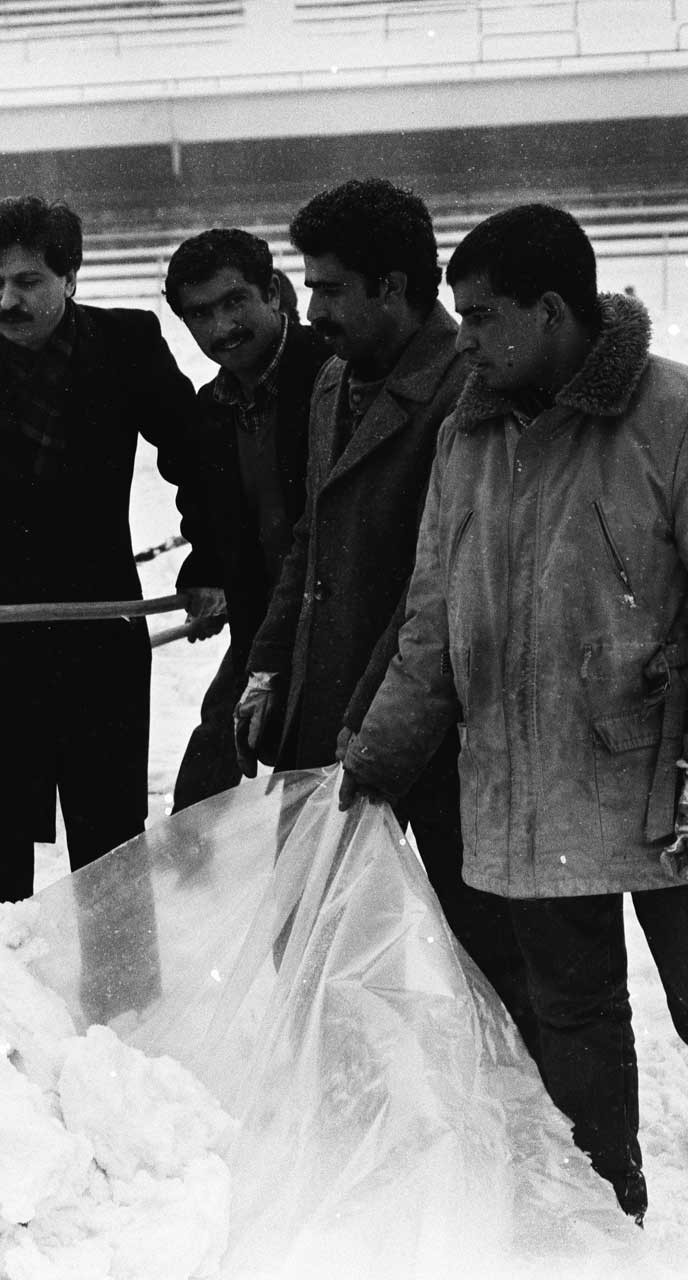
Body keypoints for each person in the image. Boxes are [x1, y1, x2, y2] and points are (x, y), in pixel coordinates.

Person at [341, 204, 688, 1223]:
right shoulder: (469, 439)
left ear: (549, 310)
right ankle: (604, 1223)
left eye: (485, 318)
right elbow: (429, 627)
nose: (470, 341)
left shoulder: (670, 416)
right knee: (572, 1022)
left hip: (668, 791)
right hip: (529, 797)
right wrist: (378, 757)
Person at [232, 178, 535, 1048]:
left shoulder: (472, 389)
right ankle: (344, 1123)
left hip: (441, 729)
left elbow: (437, 587)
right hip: (326, 712)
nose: (310, 304)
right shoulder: (333, 380)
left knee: (482, 953)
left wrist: (374, 719)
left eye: (328, 286)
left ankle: (523, 1148)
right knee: (319, 944)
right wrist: (267, 665)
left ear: (394, 288)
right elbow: (310, 541)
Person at [0, 194, 224, 944]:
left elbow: (197, 457)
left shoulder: (127, 344)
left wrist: (209, 557)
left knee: (111, 842)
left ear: (70, 275)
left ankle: (125, 1010)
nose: (7, 298)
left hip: (97, 636)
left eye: (28, 280)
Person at [165, 230, 327, 810]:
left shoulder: (331, 371)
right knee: (198, 801)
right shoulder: (208, 411)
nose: (221, 327)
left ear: (275, 295)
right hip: (262, 629)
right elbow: (205, 510)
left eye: (235, 302)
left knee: (315, 812)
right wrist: (206, 572)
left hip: (342, 632)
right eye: (201, 314)